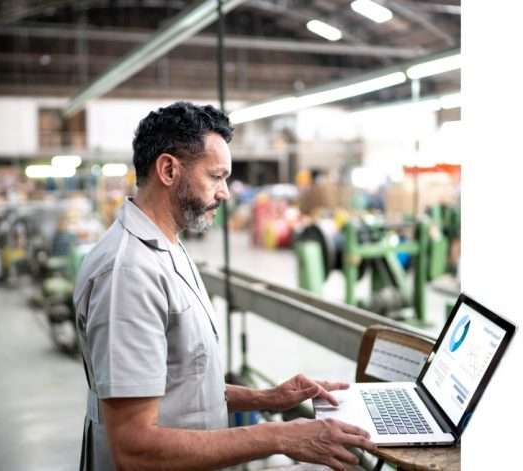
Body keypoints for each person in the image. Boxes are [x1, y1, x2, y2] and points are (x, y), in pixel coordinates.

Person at [73, 101, 376, 471]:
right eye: (216, 177)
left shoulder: (166, 246)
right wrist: (279, 436)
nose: (225, 193)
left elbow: (179, 386)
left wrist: (266, 397)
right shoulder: (129, 273)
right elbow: (133, 448)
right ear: (169, 169)